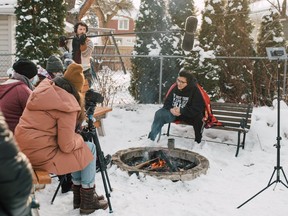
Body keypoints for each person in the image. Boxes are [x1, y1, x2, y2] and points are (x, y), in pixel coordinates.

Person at [14, 63, 108, 215]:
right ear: (77, 89)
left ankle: (79, 198)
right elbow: (66, 145)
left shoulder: (44, 90)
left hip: (23, 149)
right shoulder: (67, 103)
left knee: (81, 148)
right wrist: (78, 137)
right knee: (89, 148)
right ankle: (88, 198)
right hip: (40, 155)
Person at [148, 69, 205, 144]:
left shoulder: (195, 90)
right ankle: (151, 139)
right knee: (159, 113)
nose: (179, 83)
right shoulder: (175, 87)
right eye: (178, 80)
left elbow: (198, 108)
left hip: (188, 115)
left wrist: (181, 110)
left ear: (188, 83)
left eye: (182, 82)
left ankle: (198, 142)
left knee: (198, 117)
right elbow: (167, 102)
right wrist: (171, 109)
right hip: (173, 114)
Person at [0, 111, 33, 216]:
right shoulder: (22, 93)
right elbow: (66, 145)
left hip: (22, 147)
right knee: (84, 146)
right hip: (15, 177)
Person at [0, 58, 37, 133]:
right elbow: (35, 116)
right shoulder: (22, 90)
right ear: (31, 77)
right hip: (12, 137)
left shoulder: (4, 85)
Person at [59, 21, 94, 90]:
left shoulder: (89, 42)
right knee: (72, 91)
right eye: (80, 29)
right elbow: (63, 51)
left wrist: (82, 43)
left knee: (85, 90)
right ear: (76, 30)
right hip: (72, 70)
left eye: (84, 29)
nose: (82, 31)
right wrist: (62, 43)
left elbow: (85, 54)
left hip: (85, 70)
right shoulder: (71, 40)